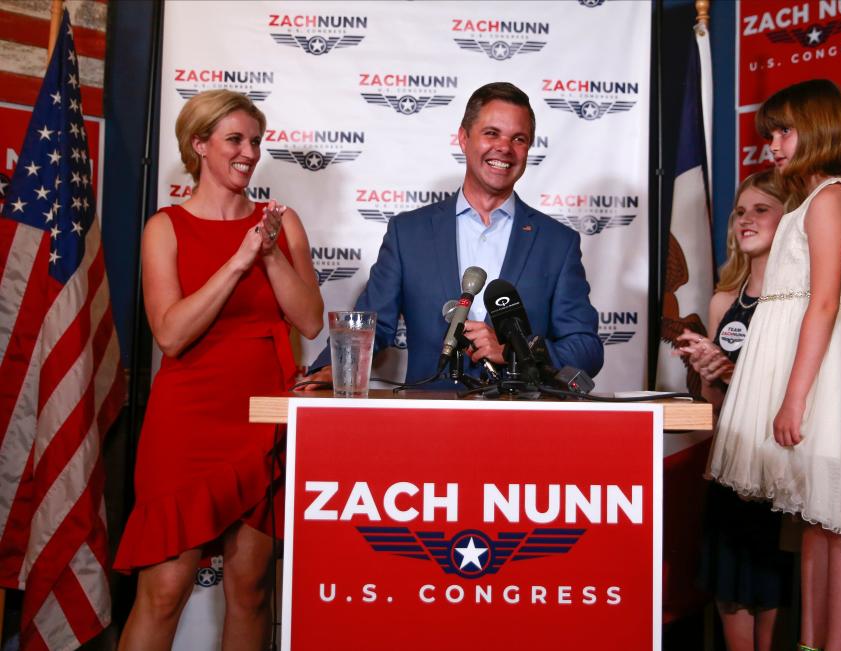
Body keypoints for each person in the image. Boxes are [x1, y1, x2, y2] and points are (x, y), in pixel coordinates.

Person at [706, 79, 841, 651]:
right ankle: (809, 643)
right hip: (808, 375)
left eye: (783, 131)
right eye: (769, 133)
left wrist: (794, 396)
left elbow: (823, 301)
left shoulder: (831, 199)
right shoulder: (809, 201)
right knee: (815, 518)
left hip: (826, 381)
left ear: (821, 128)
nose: (773, 144)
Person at [114, 90, 324, 650]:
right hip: (187, 424)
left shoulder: (281, 223)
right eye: (235, 139)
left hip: (263, 416)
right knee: (163, 591)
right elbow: (171, 333)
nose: (249, 152)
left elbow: (308, 321)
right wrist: (238, 261)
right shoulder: (166, 227)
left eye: (255, 141)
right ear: (199, 144)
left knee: (251, 587)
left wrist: (272, 253)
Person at [300, 82, 602, 386]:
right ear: (463, 137)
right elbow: (372, 325)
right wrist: (330, 370)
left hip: (520, 422)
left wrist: (514, 351)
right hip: (429, 422)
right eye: (491, 133)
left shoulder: (557, 243)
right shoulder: (408, 234)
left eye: (519, 138)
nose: (504, 148)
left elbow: (586, 348)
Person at [675, 169, 793, 651]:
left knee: (773, 588)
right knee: (730, 587)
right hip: (731, 467)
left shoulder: (797, 303)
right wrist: (708, 375)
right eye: (741, 211)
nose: (746, 220)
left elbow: (797, 394)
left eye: (761, 209)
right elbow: (715, 407)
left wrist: (730, 374)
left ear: (790, 221)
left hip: (783, 472)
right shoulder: (725, 300)